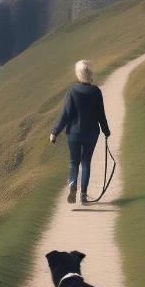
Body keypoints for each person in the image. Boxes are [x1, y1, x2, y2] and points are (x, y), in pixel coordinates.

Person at [50, 59, 110, 204]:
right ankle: (83, 195)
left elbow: (66, 113)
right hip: (91, 133)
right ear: (90, 73)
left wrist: (55, 132)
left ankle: (72, 183)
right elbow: (100, 114)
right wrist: (106, 131)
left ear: (79, 74)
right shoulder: (96, 92)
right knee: (86, 162)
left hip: (74, 133)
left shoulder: (72, 91)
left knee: (73, 161)